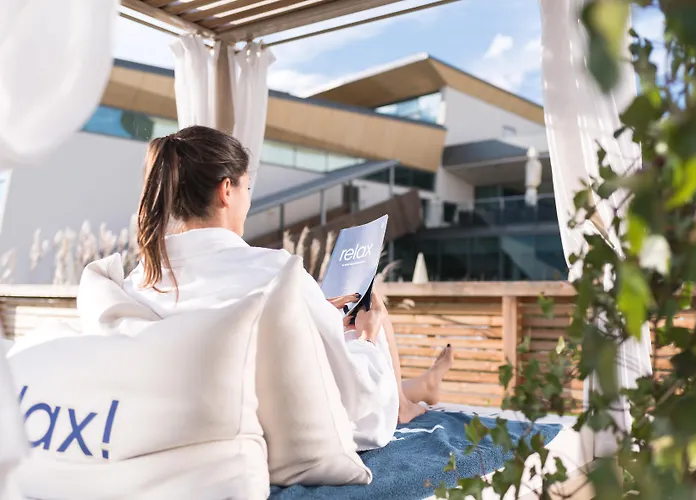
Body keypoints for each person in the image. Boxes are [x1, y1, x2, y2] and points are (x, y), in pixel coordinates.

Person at [122, 125, 454, 450]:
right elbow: (354, 395)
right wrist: (367, 338)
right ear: (226, 191)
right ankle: (404, 405)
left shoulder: (140, 280)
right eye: (246, 188)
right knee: (371, 313)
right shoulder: (275, 271)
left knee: (338, 323)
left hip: (185, 425)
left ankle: (416, 390)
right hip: (279, 430)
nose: (248, 201)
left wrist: (315, 315)